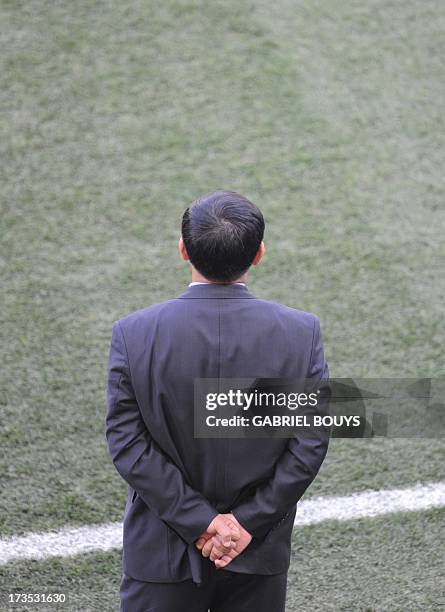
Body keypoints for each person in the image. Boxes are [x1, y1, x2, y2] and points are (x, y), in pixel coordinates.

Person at [106, 190, 330, 611]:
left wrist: (201, 522)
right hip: (256, 554)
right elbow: (310, 443)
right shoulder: (301, 333)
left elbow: (128, 443)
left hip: (161, 557)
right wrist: (247, 523)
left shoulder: (133, 334)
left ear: (182, 250)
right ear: (259, 253)